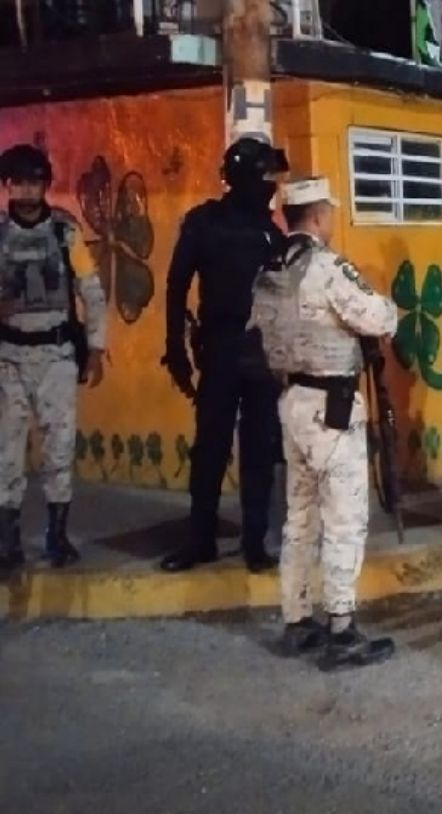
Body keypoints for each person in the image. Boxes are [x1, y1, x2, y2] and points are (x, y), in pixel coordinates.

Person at [249, 176, 399, 670]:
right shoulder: (327, 267)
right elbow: (377, 317)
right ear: (317, 216)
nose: (331, 219)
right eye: (329, 212)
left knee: (300, 516)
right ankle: (341, 628)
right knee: (344, 519)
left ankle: (297, 620)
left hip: (292, 401)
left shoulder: (270, 268)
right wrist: (390, 313)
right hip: (332, 408)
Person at [160, 137, 289, 574]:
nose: (271, 184)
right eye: (265, 175)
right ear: (245, 176)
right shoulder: (204, 222)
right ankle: (200, 540)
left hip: (262, 349)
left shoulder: (272, 232)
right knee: (211, 447)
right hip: (219, 346)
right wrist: (174, 346)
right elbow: (177, 284)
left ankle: (255, 542)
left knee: (259, 447)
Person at [0, 144, 107, 572]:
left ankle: (56, 536)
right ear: (7, 185)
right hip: (9, 357)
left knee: (59, 448)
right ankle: (8, 541)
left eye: (34, 181)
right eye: (18, 182)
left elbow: (91, 290)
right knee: (7, 450)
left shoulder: (64, 231)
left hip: (57, 355)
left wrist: (96, 347)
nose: (27, 190)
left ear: (45, 184)